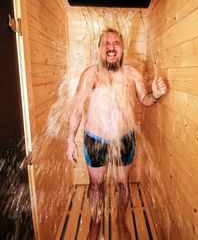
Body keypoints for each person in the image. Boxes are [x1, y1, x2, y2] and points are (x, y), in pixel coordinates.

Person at [66, 28, 167, 240]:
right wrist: (70, 140)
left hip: (125, 139)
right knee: (96, 185)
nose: (111, 47)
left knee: (123, 184)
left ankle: (120, 220)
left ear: (122, 48)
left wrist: (155, 94)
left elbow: (145, 100)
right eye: (106, 43)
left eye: (116, 43)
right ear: (100, 49)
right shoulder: (90, 74)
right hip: (95, 140)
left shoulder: (132, 74)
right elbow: (76, 110)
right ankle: (96, 222)